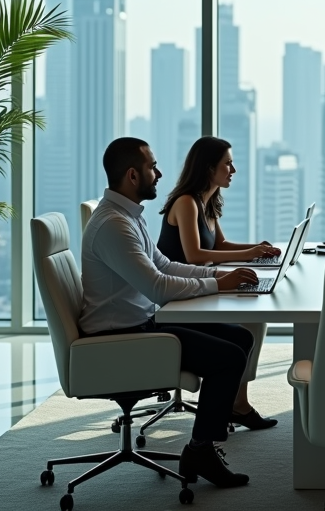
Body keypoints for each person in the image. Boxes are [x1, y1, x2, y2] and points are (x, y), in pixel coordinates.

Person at [79, 137, 259, 489]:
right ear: (133, 175)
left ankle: (206, 440)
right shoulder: (114, 225)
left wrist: (219, 277)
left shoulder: (128, 216)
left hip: (140, 323)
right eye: (152, 166)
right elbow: (159, 287)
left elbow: (167, 264)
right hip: (121, 337)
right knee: (228, 358)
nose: (159, 173)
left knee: (240, 337)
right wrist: (219, 285)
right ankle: (200, 449)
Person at [157, 136, 279, 431]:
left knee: (252, 324)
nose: (233, 169)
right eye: (228, 163)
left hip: (198, 291)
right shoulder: (186, 202)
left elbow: (221, 243)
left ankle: (238, 404)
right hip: (177, 300)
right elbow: (194, 255)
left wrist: (258, 249)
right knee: (247, 327)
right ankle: (236, 405)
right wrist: (248, 254)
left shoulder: (207, 201)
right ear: (209, 168)